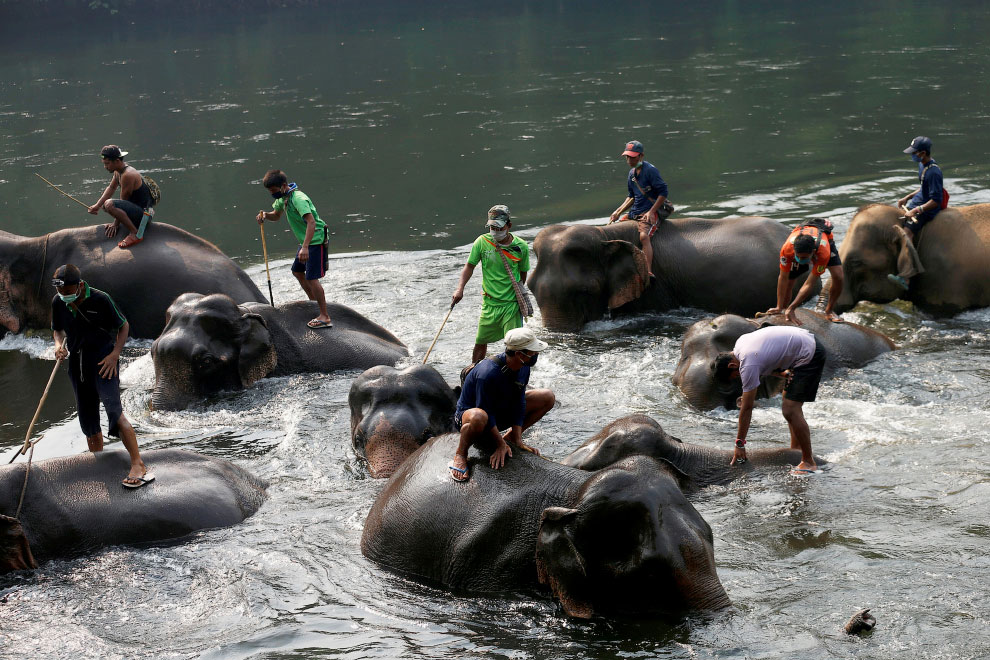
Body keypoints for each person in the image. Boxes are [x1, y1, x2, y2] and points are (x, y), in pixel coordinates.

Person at [50, 264, 153, 488]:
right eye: (60, 292)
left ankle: (138, 463)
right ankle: (98, 463)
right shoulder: (58, 302)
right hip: (77, 366)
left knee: (115, 412)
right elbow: (58, 329)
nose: (64, 296)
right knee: (88, 422)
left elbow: (123, 325)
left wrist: (115, 355)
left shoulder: (100, 298)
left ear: (79, 286)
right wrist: (59, 346)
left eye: (68, 292)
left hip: (103, 364)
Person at [710, 325, 826, 476]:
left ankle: (809, 462)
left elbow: (746, 407)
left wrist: (739, 444)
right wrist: (782, 374)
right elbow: (766, 356)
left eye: (736, 375)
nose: (740, 377)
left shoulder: (747, 362)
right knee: (788, 403)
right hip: (804, 342)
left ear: (732, 365)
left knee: (790, 409)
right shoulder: (740, 344)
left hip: (809, 353)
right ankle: (796, 451)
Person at [448, 327, 555, 482]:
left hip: (500, 408)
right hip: (472, 416)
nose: (536, 354)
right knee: (479, 416)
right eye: (533, 351)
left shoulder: (523, 366)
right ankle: (460, 454)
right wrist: (500, 444)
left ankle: (511, 438)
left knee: (547, 397)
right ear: (520, 354)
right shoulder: (488, 373)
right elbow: (485, 409)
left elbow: (519, 401)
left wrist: (518, 437)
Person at [451, 205, 530, 364]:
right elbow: (469, 266)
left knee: (513, 345)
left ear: (509, 225)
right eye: (492, 227)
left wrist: (516, 294)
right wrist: (460, 289)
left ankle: (511, 377)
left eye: (499, 227)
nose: (495, 231)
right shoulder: (482, 242)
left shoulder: (520, 247)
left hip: (511, 305)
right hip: (490, 303)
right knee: (480, 341)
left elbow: (522, 275)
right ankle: (473, 371)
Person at [256, 169, 332, 328]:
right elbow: (276, 216)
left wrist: (305, 247)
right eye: (270, 191)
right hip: (306, 241)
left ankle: (324, 316)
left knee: (312, 278)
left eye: (274, 190)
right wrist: (265, 215)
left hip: (315, 240)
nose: (272, 194)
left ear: (283, 186)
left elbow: (311, 222)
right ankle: (313, 302)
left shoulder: (298, 199)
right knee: (297, 271)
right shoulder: (283, 198)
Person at [607, 139, 671, 282]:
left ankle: (648, 270)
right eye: (627, 156)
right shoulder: (631, 174)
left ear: (641, 156)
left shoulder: (651, 171)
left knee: (643, 236)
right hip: (636, 211)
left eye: (632, 156)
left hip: (650, 210)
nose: (629, 159)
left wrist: (650, 212)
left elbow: (663, 193)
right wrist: (618, 211)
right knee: (617, 227)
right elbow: (631, 196)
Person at [766, 218, 845, 324]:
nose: (801, 260)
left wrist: (793, 307)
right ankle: (782, 308)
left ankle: (829, 310)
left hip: (825, 241)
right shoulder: (787, 250)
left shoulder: (823, 252)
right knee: (789, 281)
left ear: (813, 253)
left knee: (839, 276)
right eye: (799, 257)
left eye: (805, 258)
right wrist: (778, 306)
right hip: (802, 238)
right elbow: (782, 277)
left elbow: (809, 283)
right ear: (794, 251)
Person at [891, 136, 944, 290]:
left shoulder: (934, 172)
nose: (912, 155)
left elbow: (936, 200)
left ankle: (906, 277)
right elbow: (924, 187)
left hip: (927, 208)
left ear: (922, 153)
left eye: (914, 152)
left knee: (907, 233)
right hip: (920, 200)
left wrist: (916, 210)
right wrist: (908, 197)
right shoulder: (923, 165)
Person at [88, 145, 154, 249]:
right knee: (105, 205)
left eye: (107, 164)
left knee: (109, 205)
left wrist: (115, 223)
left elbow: (124, 200)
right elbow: (111, 188)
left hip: (144, 214)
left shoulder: (128, 175)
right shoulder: (118, 171)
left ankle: (135, 233)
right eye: (104, 164)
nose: (105, 167)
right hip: (135, 208)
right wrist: (97, 205)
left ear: (117, 161)